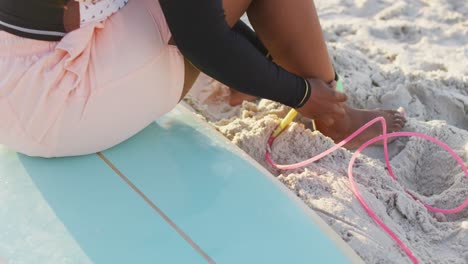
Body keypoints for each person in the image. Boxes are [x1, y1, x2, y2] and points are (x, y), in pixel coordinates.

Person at [0, 0, 405, 158]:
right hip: (56, 98)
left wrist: (258, 62)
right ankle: (335, 116)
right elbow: (199, 34)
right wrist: (300, 93)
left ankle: (260, 74)